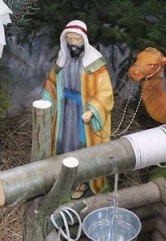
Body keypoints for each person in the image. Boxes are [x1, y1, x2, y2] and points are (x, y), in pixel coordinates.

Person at [41, 20, 114, 199]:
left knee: (81, 147)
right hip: (64, 112)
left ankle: (82, 182)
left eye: (77, 39)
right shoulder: (62, 58)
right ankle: (62, 179)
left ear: (84, 39)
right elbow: (52, 83)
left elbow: (105, 92)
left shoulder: (94, 63)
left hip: (83, 114)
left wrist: (93, 110)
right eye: (70, 39)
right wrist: (45, 99)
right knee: (62, 144)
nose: (73, 43)